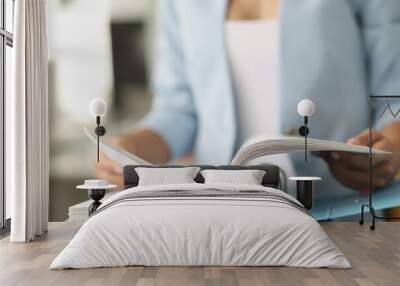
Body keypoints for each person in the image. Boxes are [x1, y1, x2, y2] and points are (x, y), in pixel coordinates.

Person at [96, 0, 400, 220]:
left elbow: (394, 95)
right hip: (218, 217)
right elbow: (179, 109)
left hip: (336, 213)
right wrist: (131, 149)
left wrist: (391, 144)